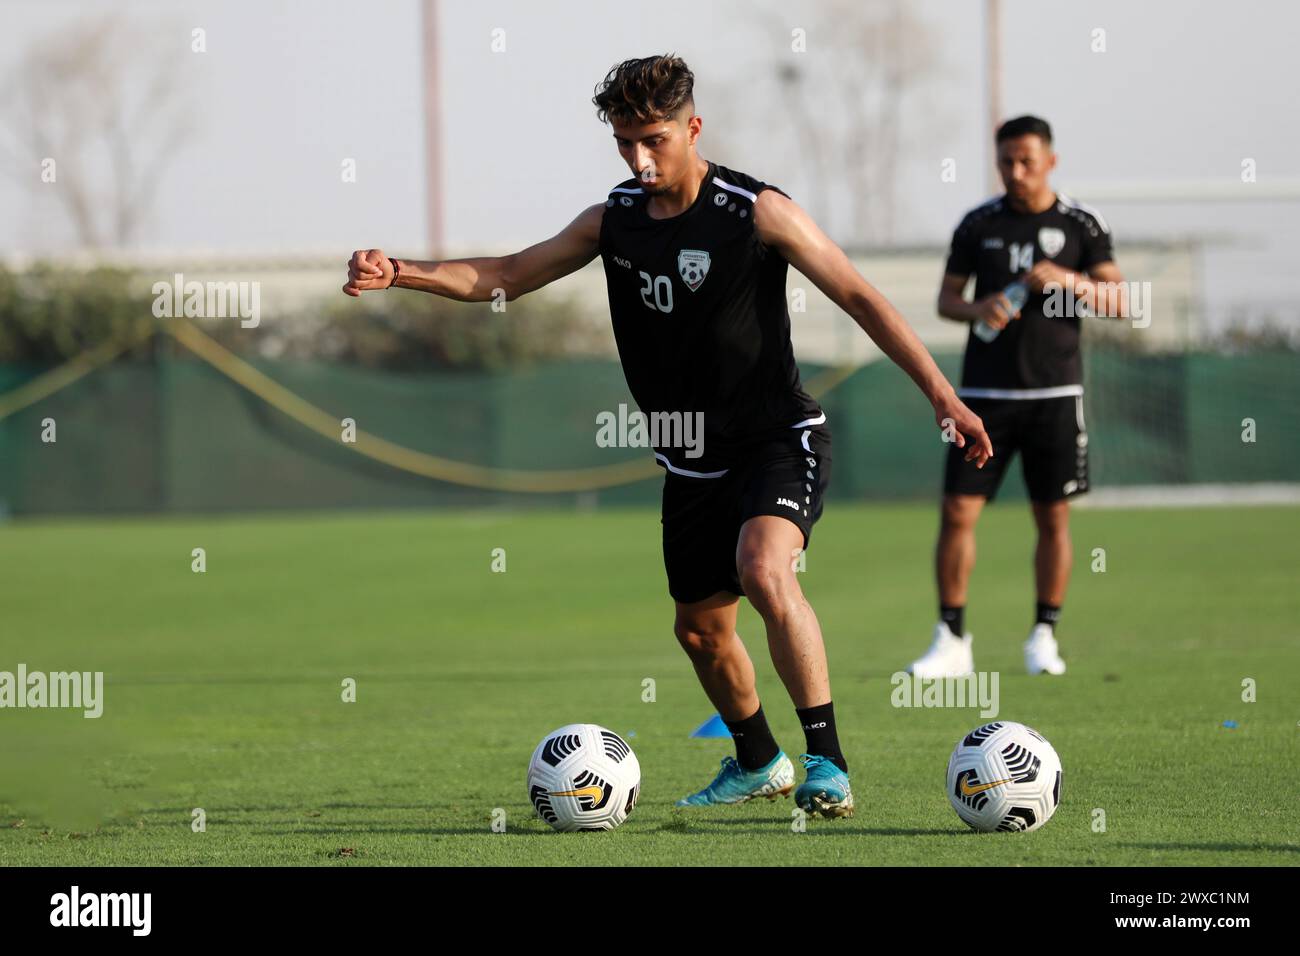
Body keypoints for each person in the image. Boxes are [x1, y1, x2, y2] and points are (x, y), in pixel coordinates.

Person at [344, 54, 991, 818]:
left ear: (693, 127)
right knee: (700, 632)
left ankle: (829, 763)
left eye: (653, 139)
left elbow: (859, 294)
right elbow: (509, 275)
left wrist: (943, 395)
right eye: (625, 143)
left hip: (777, 437)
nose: (639, 159)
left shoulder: (756, 211)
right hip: (690, 461)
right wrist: (404, 272)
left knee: (764, 567)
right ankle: (760, 761)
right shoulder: (613, 219)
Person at [908, 115, 1127, 679]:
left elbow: (1121, 300)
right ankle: (952, 638)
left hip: (1055, 395)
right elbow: (946, 300)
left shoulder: (1081, 223)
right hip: (982, 399)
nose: (1016, 170)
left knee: (1052, 517)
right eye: (1006, 160)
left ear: (1050, 160)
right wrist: (977, 309)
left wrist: (1067, 281)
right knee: (957, 512)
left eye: (1027, 160)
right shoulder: (978, 224)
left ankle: (1043, 636)